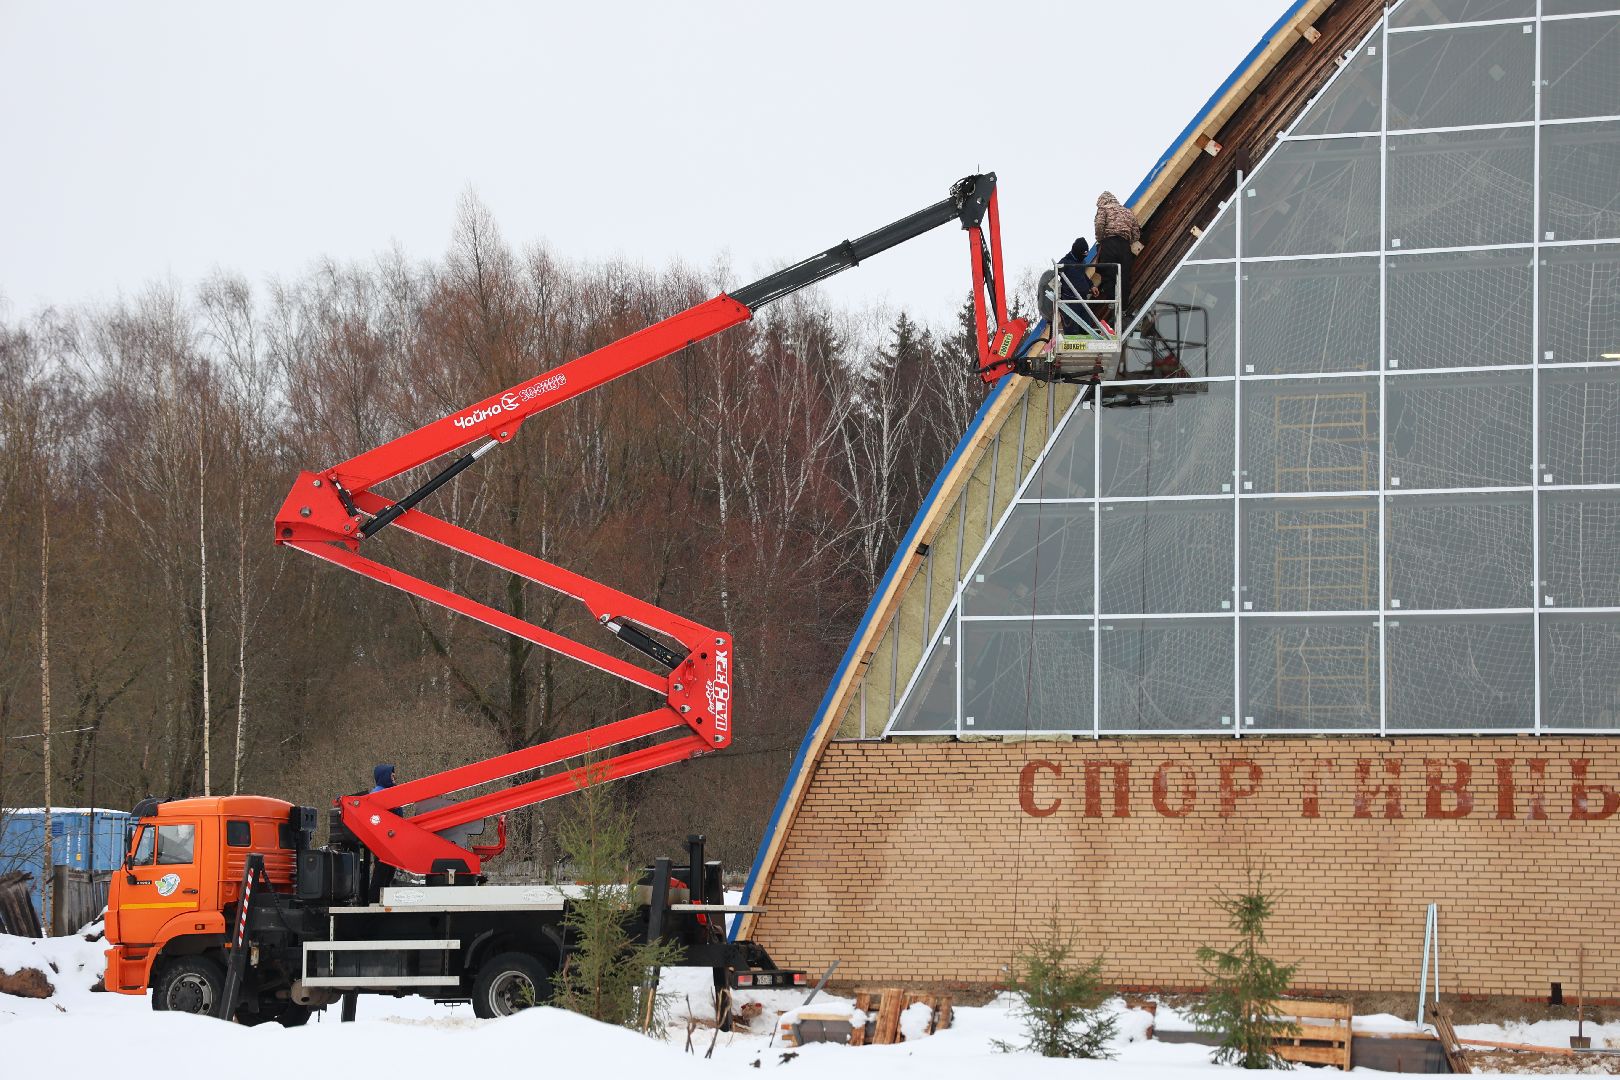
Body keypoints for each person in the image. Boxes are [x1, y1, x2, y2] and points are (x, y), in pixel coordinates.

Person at [1092, 191, 1142, 322]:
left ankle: (1112, 302)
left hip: (1109, 244)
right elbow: (1136, 232)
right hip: (1125, 247)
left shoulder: (1104, 209)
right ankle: (1123, 308)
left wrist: (1100, 239)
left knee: (1107, 273)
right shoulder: (1127, 211)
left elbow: (1098, 225)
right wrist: (1128, 241)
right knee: (1124, 277)